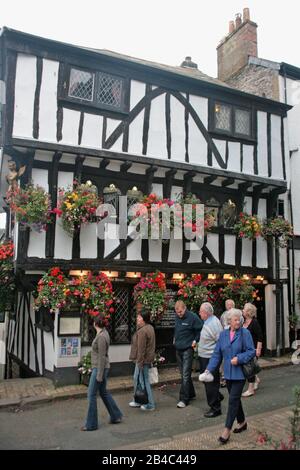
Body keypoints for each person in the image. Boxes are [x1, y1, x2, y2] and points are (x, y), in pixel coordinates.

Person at [200, 308, 255, 444]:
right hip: (228, 374)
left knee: (232, 401)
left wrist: (239, 358)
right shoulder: (223, 335)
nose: (238, 321)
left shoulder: (245, 333)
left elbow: (251, 351)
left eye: (239, 319)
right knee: (235, 400)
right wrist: (209, 370)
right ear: (229, 321)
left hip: (240, 373)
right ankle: (242, 423)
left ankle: (226, 430)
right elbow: (217, 354)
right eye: (235, 319)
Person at [81, 313, 122, 431]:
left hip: (99, 368)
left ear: (95, 323)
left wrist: (99, 375)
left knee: (91, 394)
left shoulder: (102, 337)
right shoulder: (102, 333)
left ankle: (91, 424)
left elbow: (102, 357)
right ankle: (116, 415)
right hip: (101, 368)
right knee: (103, 392)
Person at [174, 300, 203, 408]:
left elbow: (201, 329)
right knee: (183, 374)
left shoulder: (193, 317)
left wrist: (195, 340)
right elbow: (177, 329)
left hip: (187, 349)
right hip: (178, 348)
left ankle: (184, 399)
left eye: (181, 312)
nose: (179, 314)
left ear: (185, 308)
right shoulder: (177, 317)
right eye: (177, 312)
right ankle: (191, 393)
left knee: (185, 375)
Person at [198, 302, 224, 418]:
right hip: (205, 356)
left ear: (206, 313)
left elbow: (220, 341)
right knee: (206, 381)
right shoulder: (208, 321)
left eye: (201, 311)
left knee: (210, 383)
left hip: (210, 358)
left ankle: (215, 408)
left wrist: (217, 359)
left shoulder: (213, 323)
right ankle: (217, 396)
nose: (199, 313)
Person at [129, 308, 156, 411]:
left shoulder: (143, 331)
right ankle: (138, 400)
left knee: (144, 381)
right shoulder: (150, 328)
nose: (137, 318)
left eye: (139, 317)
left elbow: (141, 350)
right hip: (146, 360)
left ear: (143, 319)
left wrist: (139, 363)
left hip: (142, 361)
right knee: (137, 379)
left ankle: (150, 404)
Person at [242, 303, 263, 397]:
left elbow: (260, 336)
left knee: (249, 369)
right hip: (244, 350)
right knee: (250, 368)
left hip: (253, 349)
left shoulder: (254, 322)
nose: (242, 310)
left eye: (244, 309)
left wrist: (258, 349)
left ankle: (250, 390)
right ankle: (256, 379)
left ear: (248, 312)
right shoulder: (243, 321)